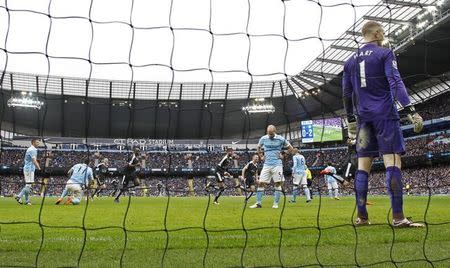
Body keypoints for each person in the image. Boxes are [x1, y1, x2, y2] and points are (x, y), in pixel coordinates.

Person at [342, 21, 424, 227]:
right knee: (393, 163)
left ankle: (362, 217)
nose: (384, 36)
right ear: (377, 33)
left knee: (362, 168)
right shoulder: (384, 53)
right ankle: (398, 218)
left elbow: (346, 93)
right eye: (383, 32)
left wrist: (350, 119)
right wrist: (411, 111)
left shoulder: (349, 61)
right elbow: (395, 82)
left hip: (363, 119)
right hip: (385, 115)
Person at [249, 125, 297, 209]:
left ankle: (275, 203)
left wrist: (284, 155)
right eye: (268, 133)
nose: (269, 135)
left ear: (275, 132)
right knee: (261, 183)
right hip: (267, 164)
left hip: (277, 165)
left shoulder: (281, 139)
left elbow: (291, 148)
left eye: (271, 134)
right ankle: (258, 203)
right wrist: (261, 156)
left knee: (278, 183)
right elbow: (258, 147)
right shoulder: (263, 138)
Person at [15, 138, 41, 205]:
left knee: (28, 185)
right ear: (33, 143)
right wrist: (39, 167)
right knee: (28, 185)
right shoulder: (32, 150)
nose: (39, 143)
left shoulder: (31, 149)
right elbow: (34, 160)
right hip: (29, 169)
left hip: (29, 169)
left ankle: (27, 201)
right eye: (37, 142)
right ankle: (19, 196)